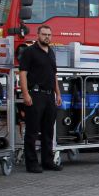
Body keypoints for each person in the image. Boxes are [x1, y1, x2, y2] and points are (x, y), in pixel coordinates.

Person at [19, 25, 62, 172]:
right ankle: (31, 164)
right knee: (32, 131)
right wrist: (25, 94)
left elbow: (54, 75)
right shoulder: (29, 52)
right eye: (44, 34)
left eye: (49, 34)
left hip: (49, 96)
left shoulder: (51, 53)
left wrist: (58, 93)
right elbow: (23, 73)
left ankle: (47, 161)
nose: (47, 37)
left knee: (48, 131)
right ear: (38, 35)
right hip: (35, 95)